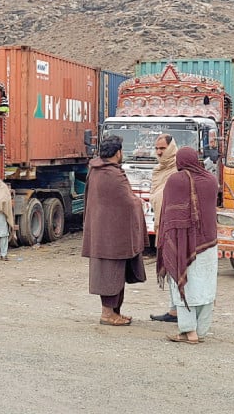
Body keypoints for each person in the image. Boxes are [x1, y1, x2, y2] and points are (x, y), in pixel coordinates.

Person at [81, 135, 148, 326]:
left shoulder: (96, 171)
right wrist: (138, 202)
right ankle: (107, 314)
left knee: (116, 273)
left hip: (105, 232)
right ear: (118, 153)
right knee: (110, 274)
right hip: (110, 236)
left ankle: (115, 312)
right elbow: (128, 201)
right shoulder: (110, 173)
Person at [156, 146, 219, 344]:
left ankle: (188, 331)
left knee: (183, 284)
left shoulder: (176, 180)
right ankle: (200, 331)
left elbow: (169, 212)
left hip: (182, 243)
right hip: (208, 244)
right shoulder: (211, 180)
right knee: (205, 286)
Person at [149, 134, 180, 323]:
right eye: (157, 149)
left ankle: (178, 310)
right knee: (169, 267)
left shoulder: (179, 169)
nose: (159, 152)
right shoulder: (159, 170)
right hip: (162, 224)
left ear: (171, 148)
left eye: (163, 149)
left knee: (176, 267)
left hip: (174, 227)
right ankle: (174, 309)